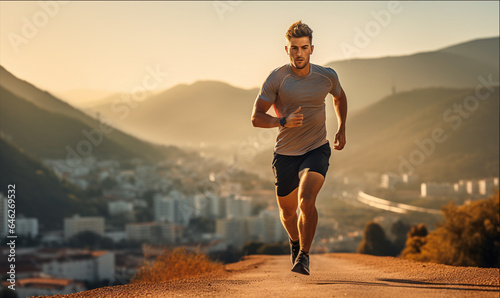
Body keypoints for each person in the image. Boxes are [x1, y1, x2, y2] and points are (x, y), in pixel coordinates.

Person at [251, 20, 347, 275]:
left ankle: (303, 255)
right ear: (287, 49)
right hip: (285, 154)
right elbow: (256, 117)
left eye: (303, 47)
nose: (298, 53)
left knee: (307, 200)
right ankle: (294, 241)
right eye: (294, 48)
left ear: (311, 49)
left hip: (317, 148)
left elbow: (340, 96)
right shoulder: (277, 78)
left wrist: (342, 127)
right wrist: (281, 121)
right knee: (288, 212)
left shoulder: (326, 76)